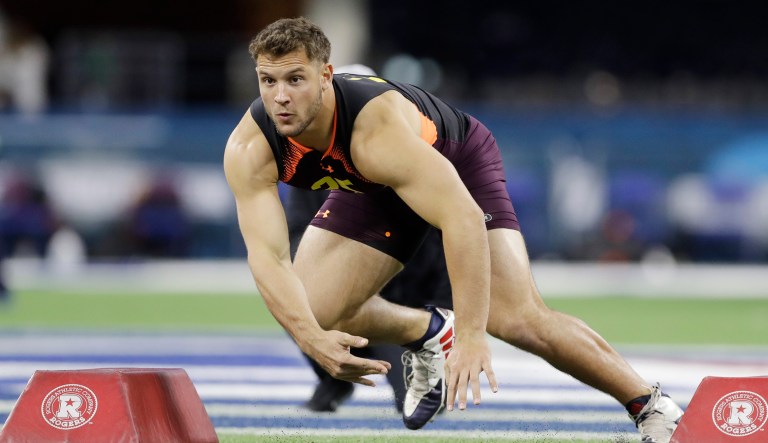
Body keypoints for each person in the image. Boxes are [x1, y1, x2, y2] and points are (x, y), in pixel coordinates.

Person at [224, 17, 683, 441]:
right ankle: (428, 331)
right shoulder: (251, 145)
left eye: (295, 79)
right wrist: (309, 337)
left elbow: (460, 217)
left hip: (454, 160)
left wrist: (472, 337)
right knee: (315, 305)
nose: (280, 97)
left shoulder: (373, 131)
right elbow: (267, 258)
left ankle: (650, 405)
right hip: (372, 181)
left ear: (326, 77)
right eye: (269, 81)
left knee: (518, 318)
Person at [285, 63, 452, 414]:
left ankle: (419, 351)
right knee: (291, 293)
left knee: (416, 399)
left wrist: (445, 321)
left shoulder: (408, 156)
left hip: (407, 296)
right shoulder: (309, 158)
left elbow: (444, 243)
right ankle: (333, 377)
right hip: (344, 288)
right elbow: (296, 235)